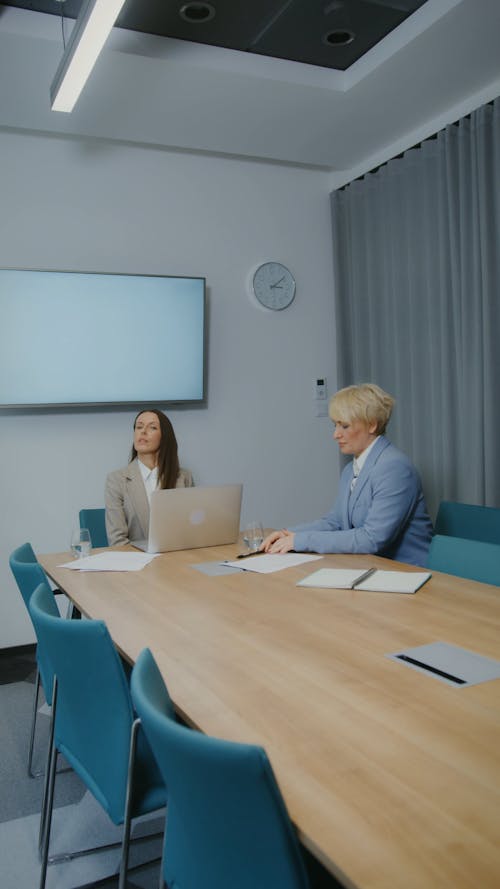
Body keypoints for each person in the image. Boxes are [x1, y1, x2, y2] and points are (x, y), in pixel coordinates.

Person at [262, 383, 433, 567]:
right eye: (335, 425)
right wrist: (289, 534)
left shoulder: (394, 468)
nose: (336, 434)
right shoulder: (350, 470)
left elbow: (372, 539)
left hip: (407, 572)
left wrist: (301, 541)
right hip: (371, 567)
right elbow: (335, 521)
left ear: (372, 425)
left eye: (344, 426)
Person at [105, 409, 193, 546]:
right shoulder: (116, 480)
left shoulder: (183, 477)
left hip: (176, 559)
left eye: (152, 427)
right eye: (139, 427)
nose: (143, 431)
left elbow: (191, 531)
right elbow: (118, 541)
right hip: (137, 563)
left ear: (164, 436)